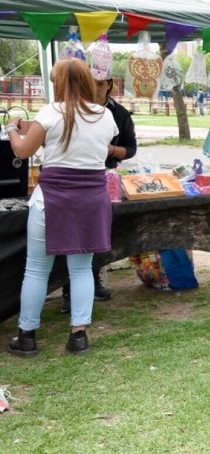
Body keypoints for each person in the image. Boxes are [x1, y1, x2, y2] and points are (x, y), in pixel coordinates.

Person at [6, 58, 118, 357]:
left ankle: (27, 335)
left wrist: (12, 131)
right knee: (81, 270)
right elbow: (90, 143)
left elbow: (23, 149)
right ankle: (78, 335)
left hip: (51, 200)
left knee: (36, 269)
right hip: (91, 200)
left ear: (58, 83)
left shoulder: (49, 112)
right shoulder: (105, 116)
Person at [61, 74, 137, 312]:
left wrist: (111, 149)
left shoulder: (120, 114)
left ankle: (93, 280)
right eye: (90, 82)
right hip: (72, 177)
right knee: (70, 236)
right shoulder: (69, 109)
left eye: (100, 84)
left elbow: (131, 148)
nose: (94, 88)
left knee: (95, 234)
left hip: (104, 177)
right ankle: (67, 289)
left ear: (110, 85)